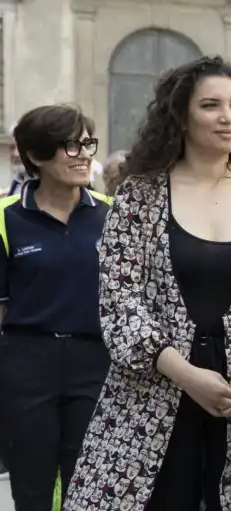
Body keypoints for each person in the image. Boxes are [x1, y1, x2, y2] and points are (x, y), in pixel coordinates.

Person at [64, 55, 231, 511]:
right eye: (211, 105)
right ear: (180, 116)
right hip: (151, 397)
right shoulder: (140, 195)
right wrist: (186, 375)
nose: (228, 117)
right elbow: (120, 303)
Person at [0, 105, 112, 511]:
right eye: (70, 146)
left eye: (87, 144)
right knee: (32, 488)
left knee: (90, 486)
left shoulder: (113, 215)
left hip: (95, 362)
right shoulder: (5, 218)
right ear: (35, 155)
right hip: (26, 364)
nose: (84, 154)